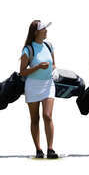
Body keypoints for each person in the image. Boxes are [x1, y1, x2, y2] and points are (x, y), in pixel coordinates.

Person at [20, 20, 59, 159]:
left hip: (48, 84)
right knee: (35, 119)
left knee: (47, 116)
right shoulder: (28, 49)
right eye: (43, 29)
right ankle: (38, 149)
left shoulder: (49, 45)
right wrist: (37, 67)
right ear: (36, 32)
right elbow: (22, 72)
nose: (46, 31)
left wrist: (54, 70)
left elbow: (53, 64)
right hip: (33, 86)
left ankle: (50, 148)